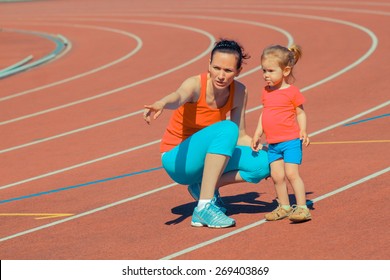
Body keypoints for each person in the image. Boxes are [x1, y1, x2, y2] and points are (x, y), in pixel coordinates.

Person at [143, 39, 270, 228]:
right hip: (177, 159)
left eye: (228, 71)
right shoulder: (195, 84)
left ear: (238, 71)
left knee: (264, 162)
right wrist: (162, 103)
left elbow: (241, 135)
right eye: (216, 67)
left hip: (206, 158)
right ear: (208, 65)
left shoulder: (239, 91)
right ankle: (204, 207)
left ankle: (202, 187)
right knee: (227, 129)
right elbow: (178, 97)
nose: (220, 75)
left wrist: (263, 147)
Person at [251, 44, 311, 222]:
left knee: (292, 174)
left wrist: (303, 130)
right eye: (263, 70)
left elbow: (300, 112)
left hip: (291, 140)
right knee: (277, 176)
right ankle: (284, 206)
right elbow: (265, 113)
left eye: (270, 70)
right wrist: (257, 133)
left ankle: (302, 208)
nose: (265, 75)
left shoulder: (292, 92)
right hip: (273, 143)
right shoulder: (266, 91)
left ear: (285, 71)